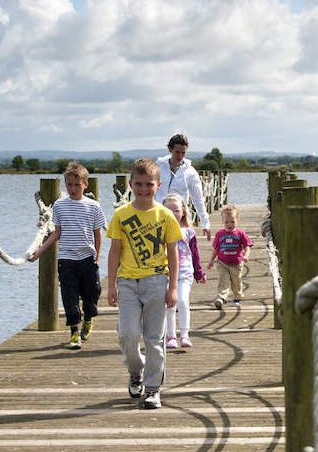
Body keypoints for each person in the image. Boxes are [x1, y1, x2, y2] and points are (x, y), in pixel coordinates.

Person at [106, 157, 182, 410]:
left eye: (148, 184)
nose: (143, 189)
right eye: (138, 184)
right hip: (127, 282)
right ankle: (136, 371)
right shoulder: (121, 215)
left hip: (157, 281)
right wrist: (111, 285)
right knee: (128, 335)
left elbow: (173, 253)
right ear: (130, 184)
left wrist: (172, 287)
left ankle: (152, 389)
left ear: (158, 185)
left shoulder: (166, 216)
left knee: (154, 338)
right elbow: (114, 251)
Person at [26, 162, 106, 350]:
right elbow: (56, 232)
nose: (72, 188)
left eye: (76, 185)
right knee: (69, 297)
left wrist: (98, 256)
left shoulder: (93, 206)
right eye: (69, 184)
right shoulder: (60, 206)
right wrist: (39, 251)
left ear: (85, 184)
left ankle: (88, 318)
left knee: (92, 294)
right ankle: (74, 334)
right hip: (66, 260)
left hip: (87, 258)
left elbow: (97, 233)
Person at [161, 194, 205, 351]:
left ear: (183, 212)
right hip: (165, 273)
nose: (173, 214)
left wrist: (199, 273)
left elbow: (195, 253)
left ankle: (185, 334)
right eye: (169, 210)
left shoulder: (189, 232)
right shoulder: (160, 231)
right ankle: (171, 336)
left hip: (185, 273)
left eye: (177, 210)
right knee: (169, 305)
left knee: (183, 301)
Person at [155, 132, 210, 238]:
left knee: (181, 251)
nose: (180, 156)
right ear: (170, 149)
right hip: (158, 215)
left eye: (183, 153)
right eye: (177, 152)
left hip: (179, 217)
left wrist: (205, 222)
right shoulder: (158, 166)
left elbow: (198, 198)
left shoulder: (191, 172)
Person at [209, 204, 252, 310]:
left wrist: (246, 255)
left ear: (237, 220)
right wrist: (211, 261)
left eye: (232, 221)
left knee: (236, 281)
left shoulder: (240, 233)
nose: (229, 224)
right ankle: (221, 297)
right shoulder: (219, 234)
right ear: (222, 221)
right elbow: (216, 249)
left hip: (236, 263)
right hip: (222, 262)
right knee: (223, 280)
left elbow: (247, 246)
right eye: (226, 222)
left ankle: (237, 297)